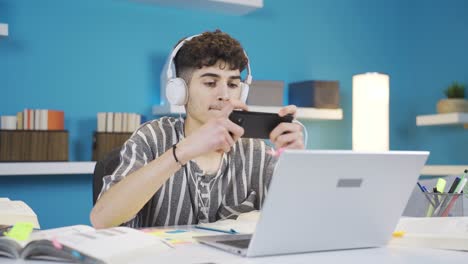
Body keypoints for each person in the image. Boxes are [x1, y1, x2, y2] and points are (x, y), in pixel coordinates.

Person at [90, 29, 304, 229]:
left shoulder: (257, 151)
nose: (225, 95)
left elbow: (297, 223)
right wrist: (183, 151)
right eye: (210, 83)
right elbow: (101, 219)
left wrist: (296, 165)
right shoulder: (152, 137)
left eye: (232, 84)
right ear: (179, 91)